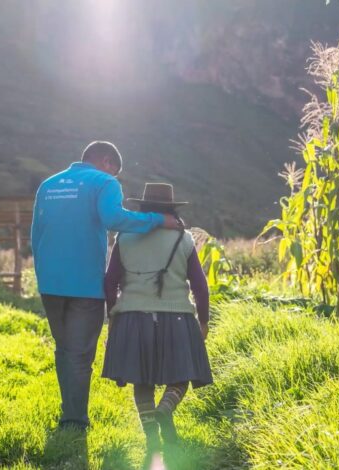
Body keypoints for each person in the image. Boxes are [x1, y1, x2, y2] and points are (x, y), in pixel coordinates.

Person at [30, 141, 181, 431]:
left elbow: (36, 236)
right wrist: (158, 220)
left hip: (50, 282)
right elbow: (114, 218)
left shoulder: (48, 185)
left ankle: (69, 412)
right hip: (84, 283)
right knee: (81, 353)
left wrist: (44, 275)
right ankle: (74, 421)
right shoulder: (104, 182)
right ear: (107, 162)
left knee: (63, 350)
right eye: (116, 170)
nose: (116, 176)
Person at [101, 183, 213, 452]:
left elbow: (110, 281)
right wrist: (204, 320)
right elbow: (200, 285)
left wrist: (114, 314)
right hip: (176, 316)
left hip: (132, 316)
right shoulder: (183, 239)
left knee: (142, 380)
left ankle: (151, 436)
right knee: (181, 374)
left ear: (143, 209)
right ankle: (166, 408)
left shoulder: (124, 237)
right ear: (171, 210)